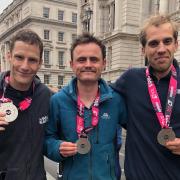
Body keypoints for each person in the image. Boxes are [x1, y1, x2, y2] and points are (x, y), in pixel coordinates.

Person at [44, 33, 126, 180]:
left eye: (94, 59)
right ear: (72, 64)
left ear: (104, 63)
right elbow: (46, 138)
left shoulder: (116, 100)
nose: (88, 64)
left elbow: (140, 130)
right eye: (81, 60)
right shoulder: (57, 101)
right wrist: (57, 147)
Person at [111, 14, 180, 180]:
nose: (161, 49)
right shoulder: (130, 79)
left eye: (167, 41)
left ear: (176, 44)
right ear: (143, 50)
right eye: (153, 43)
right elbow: (95, 96)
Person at [0, 29, 51, 180]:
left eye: (32, 60)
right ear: (8, 56)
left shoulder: (45, 96)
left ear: (40, 63)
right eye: (19, 57)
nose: (25, 66)